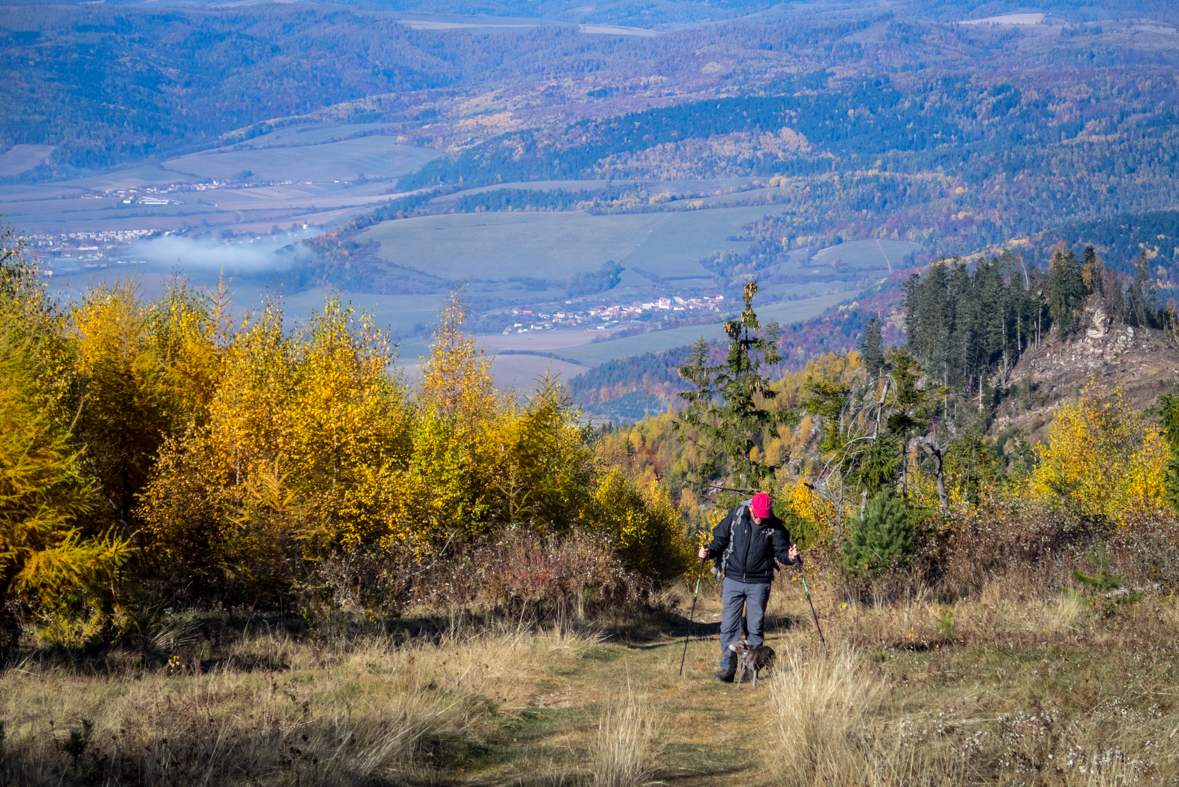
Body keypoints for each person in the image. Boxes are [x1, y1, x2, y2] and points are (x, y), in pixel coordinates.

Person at [698, 492, 801, 682]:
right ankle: (728, 669)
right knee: (729, 626)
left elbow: (781, 553)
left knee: (754, 628)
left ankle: (750, 671)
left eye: (765, 515)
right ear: (750, 508)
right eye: (758, 514)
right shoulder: (735, 516)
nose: (761, 518)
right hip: (733, 579)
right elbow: (719, 540)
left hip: (760, 582)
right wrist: (709, 551)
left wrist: (791, 557)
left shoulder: (774, 525)